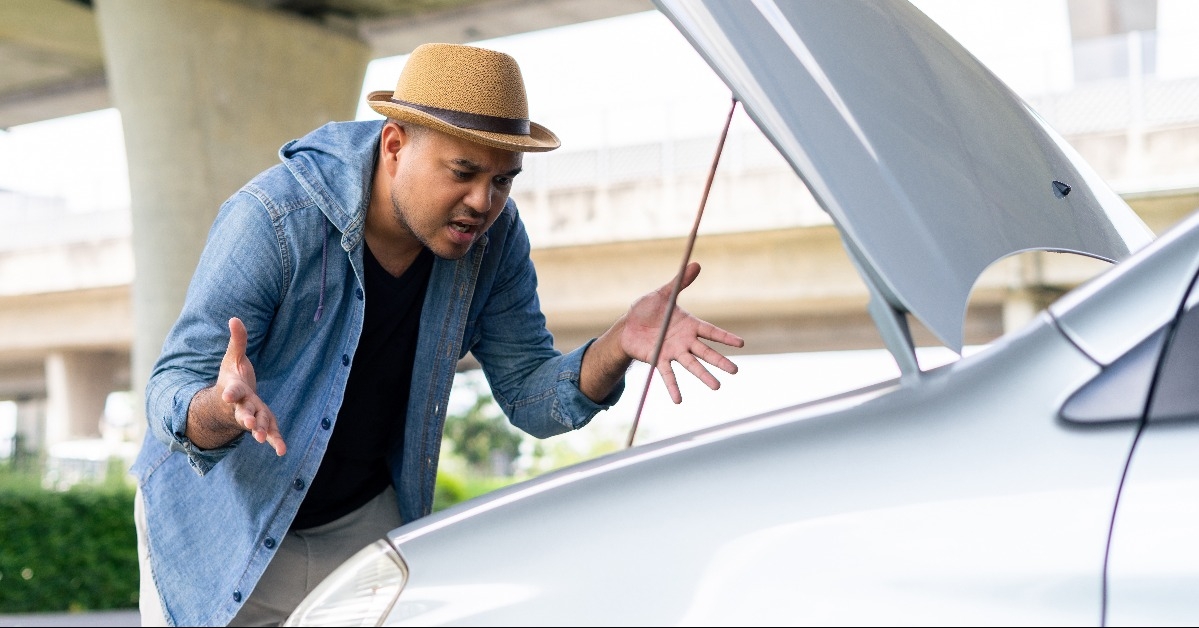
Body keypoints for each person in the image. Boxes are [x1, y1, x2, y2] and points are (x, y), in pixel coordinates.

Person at [130, 42, 744, 627]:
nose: (483, 201)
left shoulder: (496, 242)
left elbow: (530, 396)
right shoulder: (275, 218)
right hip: (224, 522)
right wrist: (221, 410)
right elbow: (172, 387)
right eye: (464, 171)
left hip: (359, 530)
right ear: (395, 145)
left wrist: (618, 345)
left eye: (503, 180)